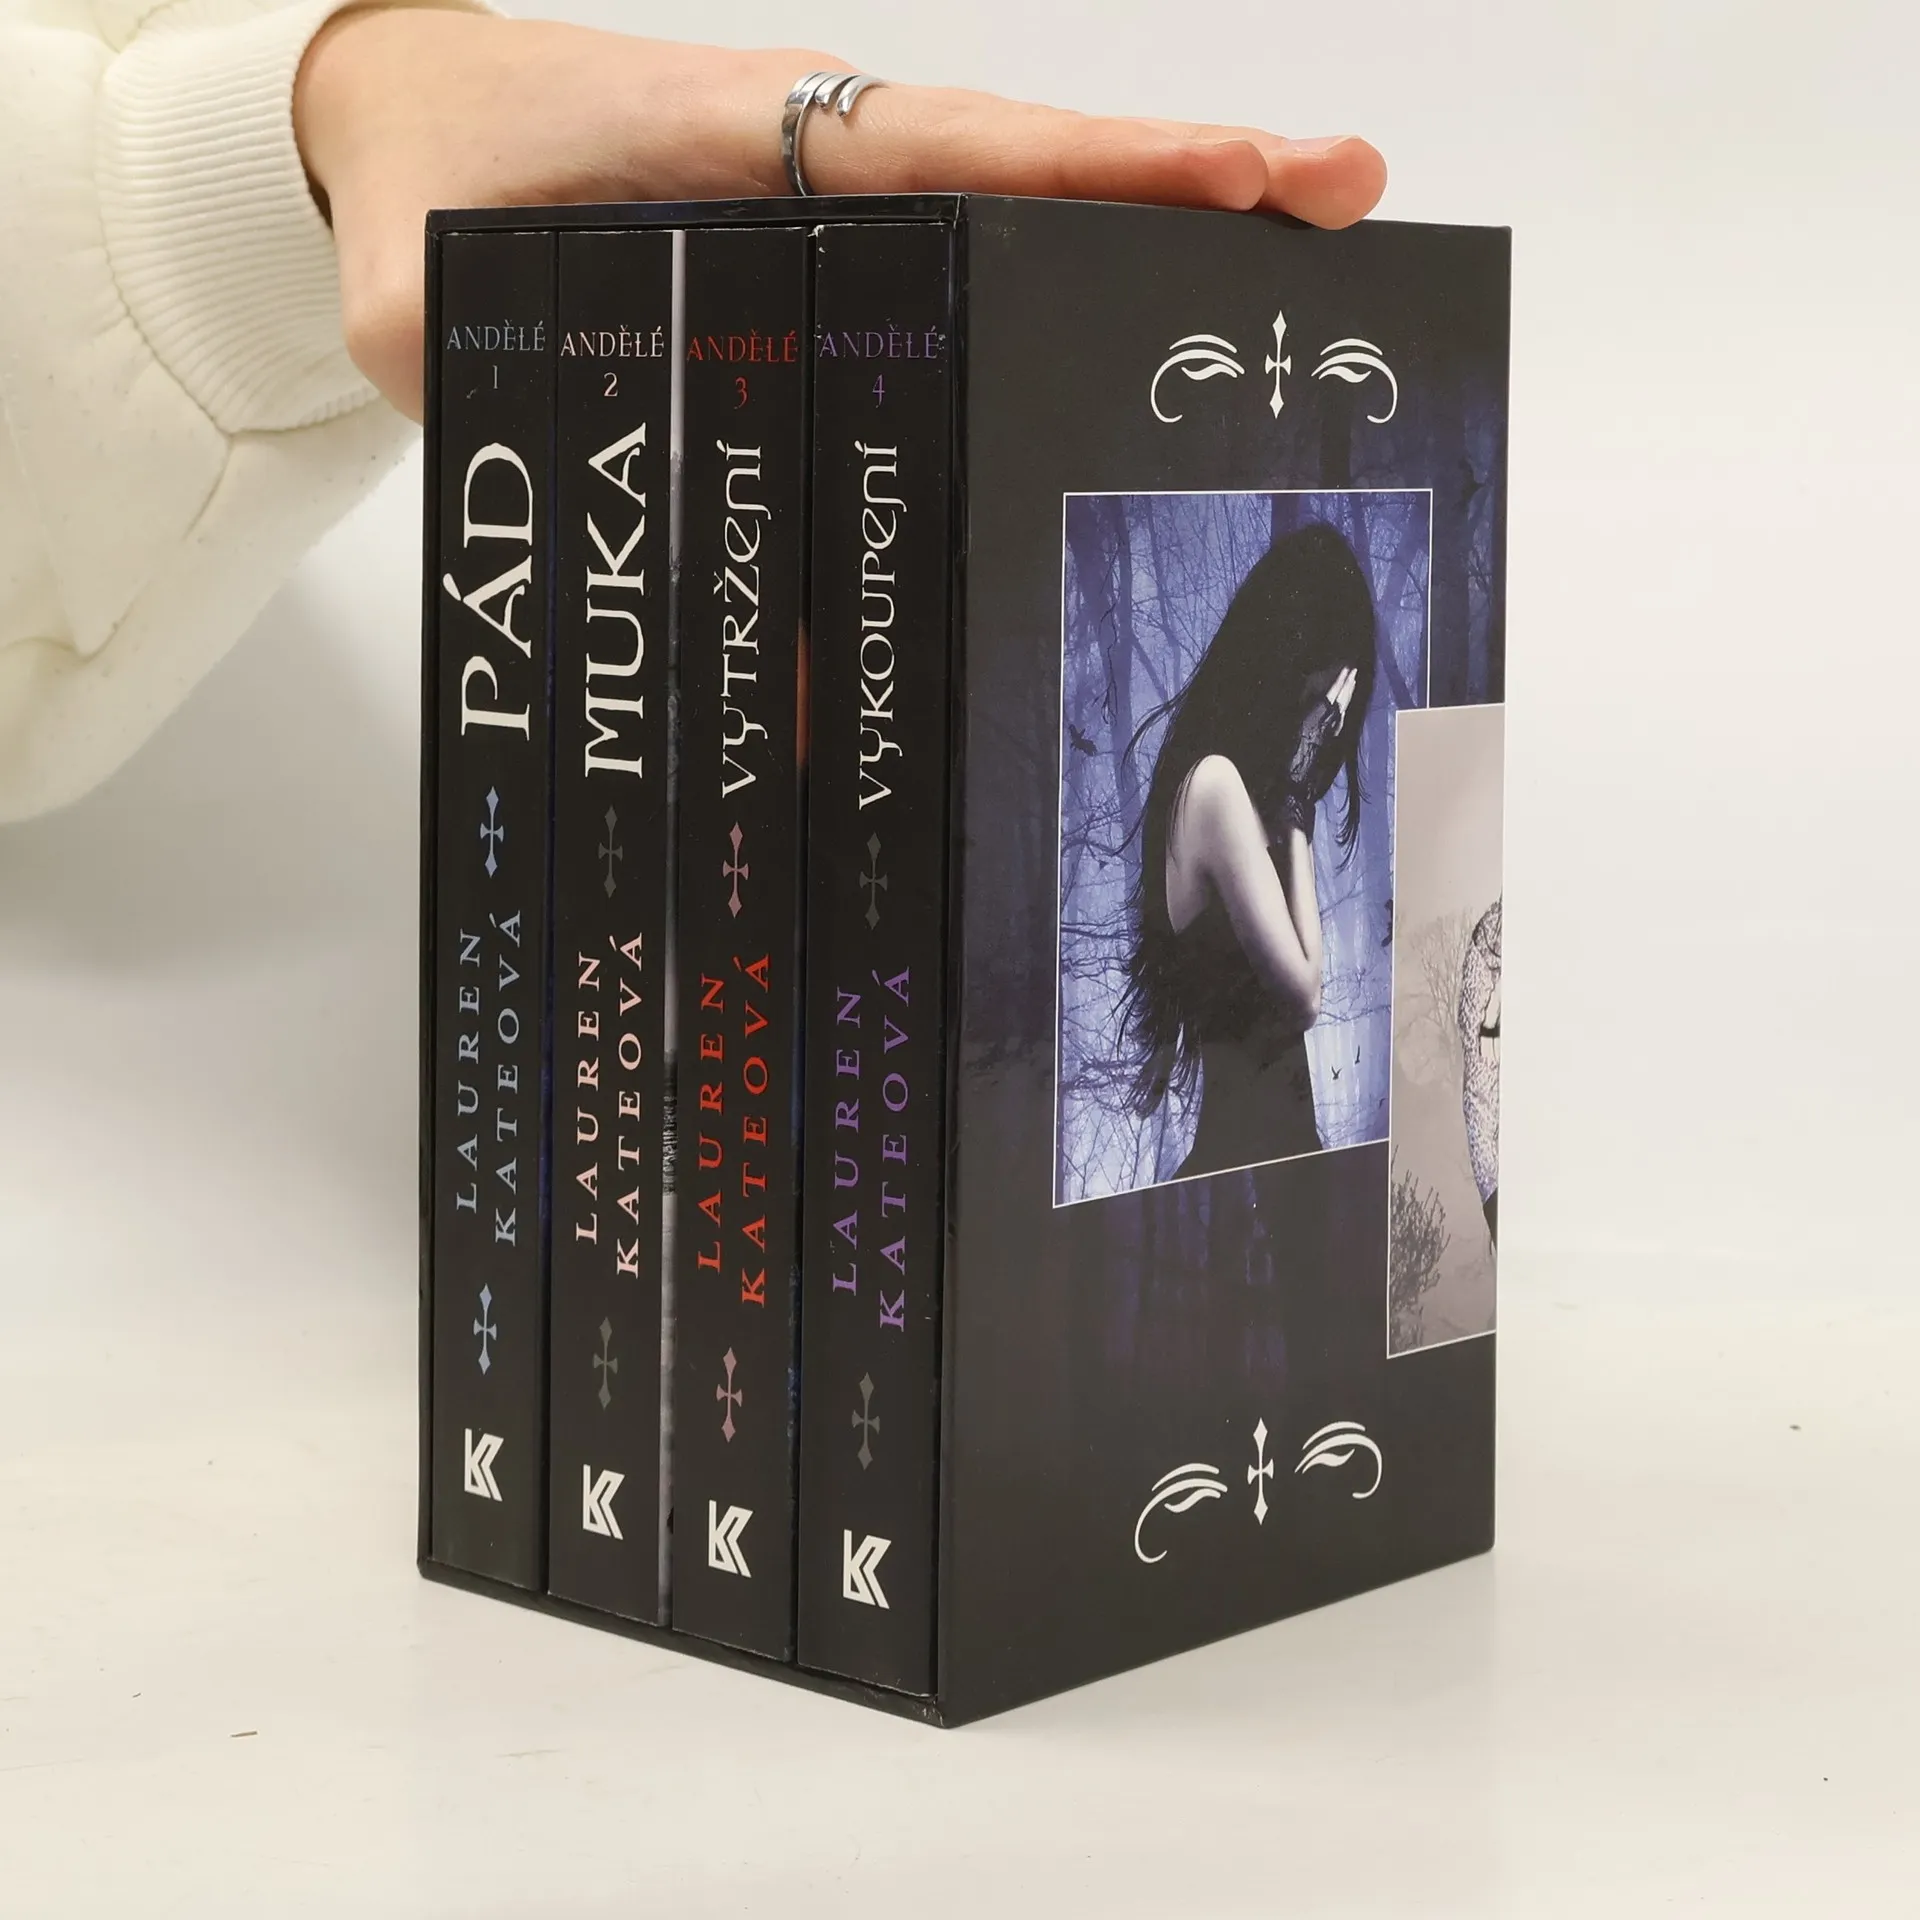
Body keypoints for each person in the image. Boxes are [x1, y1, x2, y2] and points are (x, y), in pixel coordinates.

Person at [0, 1, 1386, 823]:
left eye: (1343, 705)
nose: (1329, 732)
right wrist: (316, 117)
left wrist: (364, 78)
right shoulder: (1225, 798)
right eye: (1322, 689)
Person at [1120, 521, 1378, 1179]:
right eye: (1317, 708)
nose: (1321, 734)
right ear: (1277, 665)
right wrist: (1296, 800)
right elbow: (1304, 997)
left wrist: (1291, 802)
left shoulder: (1237, 800)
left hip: (1276, 1179)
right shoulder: (1214, 787)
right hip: (1246, 1186)